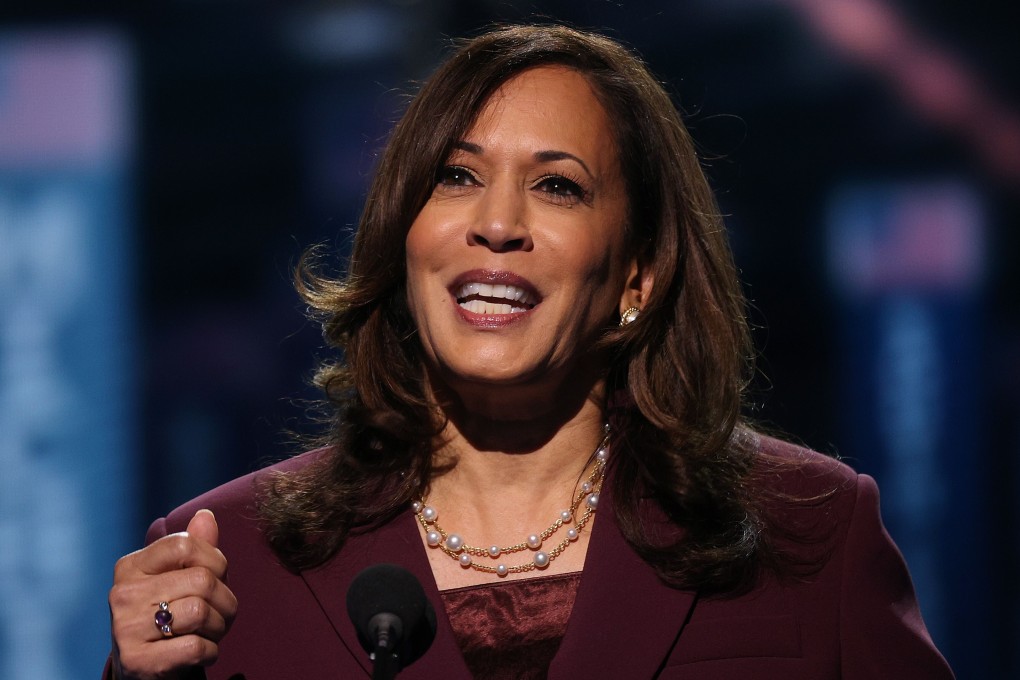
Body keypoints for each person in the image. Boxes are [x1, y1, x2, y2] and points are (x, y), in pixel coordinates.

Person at [106, 24, 954, 679]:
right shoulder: (226, 563)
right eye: (456, 177)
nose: (498, 224)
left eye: (558, 186)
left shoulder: (808, 532)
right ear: (406, 241)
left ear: (638, 277)